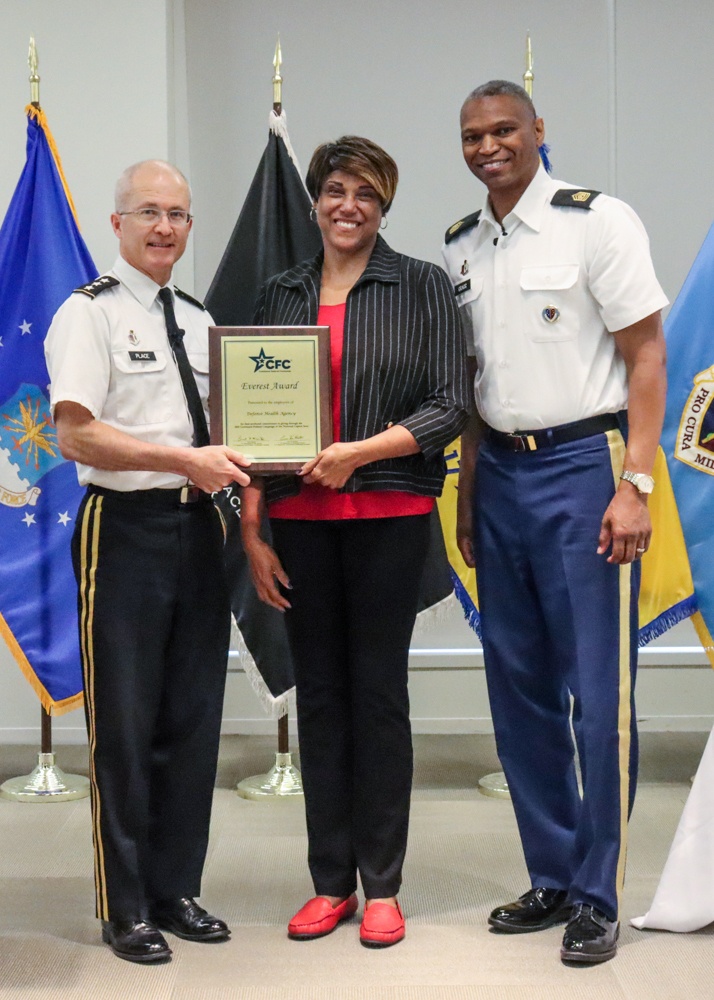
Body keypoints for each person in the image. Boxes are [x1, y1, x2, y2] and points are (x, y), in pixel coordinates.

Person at [442, 81, 668, 965]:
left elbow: (647, 355)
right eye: (472, 136)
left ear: (540, 131)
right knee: (520, 686)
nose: (488, 146)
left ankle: (600, 892)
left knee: (598, 694)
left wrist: (636, 484)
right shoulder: (463, 243)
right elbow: (471, 377)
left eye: (504, 130)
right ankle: (551, 872)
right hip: (496, 471)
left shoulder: (597, 221)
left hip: (587, 469)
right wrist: (464, 491)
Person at [241, 136, 470, 948]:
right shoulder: (281, 292)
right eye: (336, 190)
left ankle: (382, 886)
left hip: (389, 520)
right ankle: (328, 882)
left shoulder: (422, 287)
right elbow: (253, 427)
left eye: (366, 193)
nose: (349, 206)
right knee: (323, 700)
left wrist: (360, 454)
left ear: (385, 205)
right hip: (297, 526)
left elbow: (450, 403)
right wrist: (252, 530)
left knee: (377, 698)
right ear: (314, 201)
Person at [45, 160, 251, 963]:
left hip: (198, 530)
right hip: (123, 530)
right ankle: (123, 902)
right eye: (148, 214)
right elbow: (76, 435)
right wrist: (181, 460)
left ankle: (175, 887)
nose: (164, 228)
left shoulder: (200, 319)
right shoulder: (87, 315)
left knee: (191, 718)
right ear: (118, 224)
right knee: (124, 724)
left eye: (178, 215)